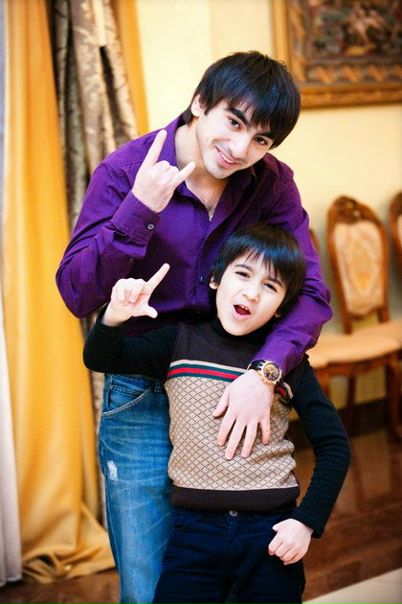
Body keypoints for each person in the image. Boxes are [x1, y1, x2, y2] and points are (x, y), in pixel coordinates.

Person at [56, 51, 332, 604]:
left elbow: (310, 292)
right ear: (200, 103)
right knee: (148, 585)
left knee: (235, 577)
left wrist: (264, 372)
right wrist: (138, 211)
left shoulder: (271, 184)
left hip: (230, 388)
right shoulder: (125, 172)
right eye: (233, 122)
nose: (241, 149)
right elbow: (76, 291)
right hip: (140, 389)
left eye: (261, 139)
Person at [83, 224, 350, 604]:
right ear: (215, 279)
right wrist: (114, 316)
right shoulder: (178, 342)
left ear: (282, 307)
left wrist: (306, 522)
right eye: (242, 274)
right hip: (192, 534)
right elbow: (100, 357)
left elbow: (335, 446)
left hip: (269, 534)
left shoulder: (286, 364)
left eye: (270, 286)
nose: (252, 293)